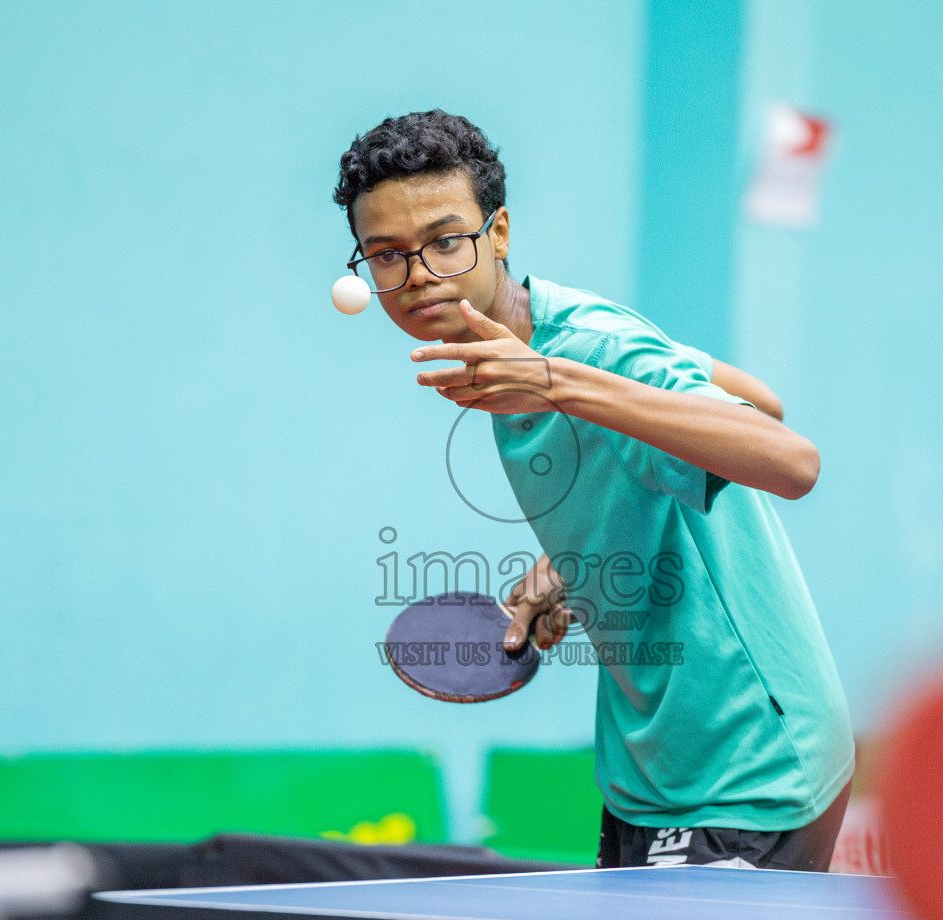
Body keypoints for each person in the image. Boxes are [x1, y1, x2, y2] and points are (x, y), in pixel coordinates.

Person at [335, 110, 854, 870]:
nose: (419, 276)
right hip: (647, 770)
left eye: (447, 241)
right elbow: (759, 397)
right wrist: (582, 564)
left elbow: (790, 458)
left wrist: (558, 381)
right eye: (387, 255)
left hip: (743, 764)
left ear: (499, 233)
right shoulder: (549, 334)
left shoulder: (577, 352)